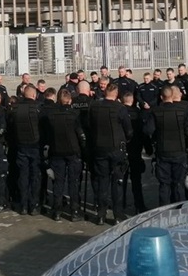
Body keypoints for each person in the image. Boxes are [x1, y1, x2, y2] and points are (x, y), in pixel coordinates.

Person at [87, 83, 132, 225]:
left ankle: (101, 214)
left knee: (102, 182)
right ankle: (117, 215)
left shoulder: (94, 106)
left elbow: (89, 125)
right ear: (117, 94)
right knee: (117, 182)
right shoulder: (120, 108)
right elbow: (129, 130)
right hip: (116, 149)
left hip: (99, 148)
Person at [40, 88, 86, 221]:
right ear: (70, 100)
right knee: (73, 182)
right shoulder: (74, 114)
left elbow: (48, 135)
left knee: (58, 183)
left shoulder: (51, 115)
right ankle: (74, 211)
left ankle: (57, 211)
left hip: (57, 151)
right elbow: (80, 134)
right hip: (72, 151)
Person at [150, 85, 188, 206]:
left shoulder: (156, 111)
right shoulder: (182, 111)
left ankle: (164, 210)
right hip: (179, 152)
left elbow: (147, 130)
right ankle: (178, 209)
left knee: (164, 184)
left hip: (163, 152)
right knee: (177, 184)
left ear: (161, 97)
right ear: (172, 96)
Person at [10, 84, 43, 215]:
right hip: (35, 146)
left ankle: (23, 206)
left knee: (23, 176)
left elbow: (11, 127)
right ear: (34, 95)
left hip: (21, 146)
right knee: (35, 177)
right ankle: (33, 205)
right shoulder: (38, 108)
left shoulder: (15, 108)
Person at [120, 90, 150, 214]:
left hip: (123, 150)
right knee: (136, 180)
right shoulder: (138, 114)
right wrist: (148, 148)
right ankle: (139, 204)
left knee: (121, 179)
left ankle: (120, 204)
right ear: (132, 101)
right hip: (136, 150)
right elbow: (144, 133)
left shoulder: (119, 113)